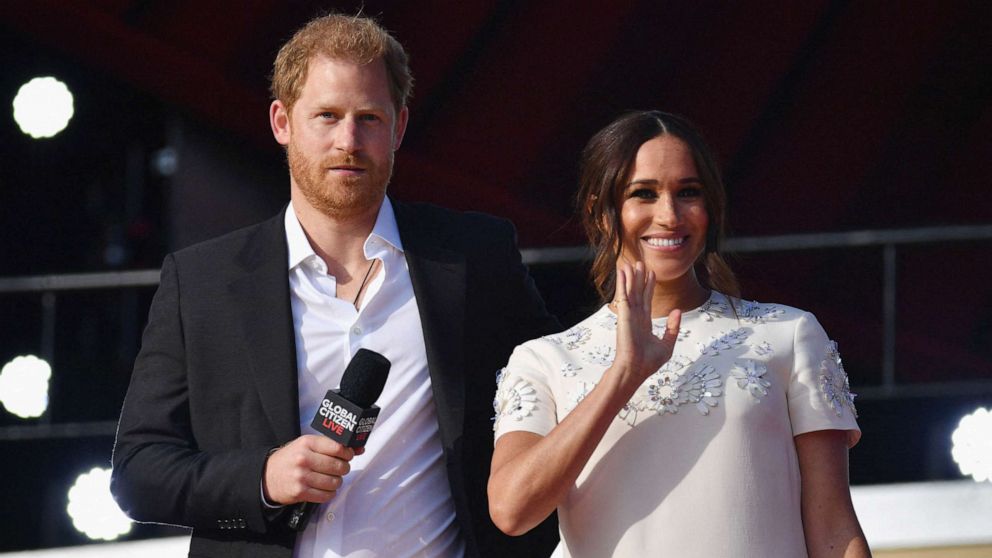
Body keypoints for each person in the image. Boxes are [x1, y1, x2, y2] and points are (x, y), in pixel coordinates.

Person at [111, 13, 559, 558]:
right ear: (282, 122)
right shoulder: (202, 282)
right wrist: (264, 478)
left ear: (398, 127)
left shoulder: (474, 257)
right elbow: (138, 472)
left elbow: (556, 397)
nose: (349, 140)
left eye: (369, 118)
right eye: (327, 116)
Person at [488, 111, 870, 557]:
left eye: (688, 192)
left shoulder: (789, 335)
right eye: (643, 194)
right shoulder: (545, 360)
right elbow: (512, 511)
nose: (669, 215)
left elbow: (833, 528)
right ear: (601, 212)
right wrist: (625, 374)